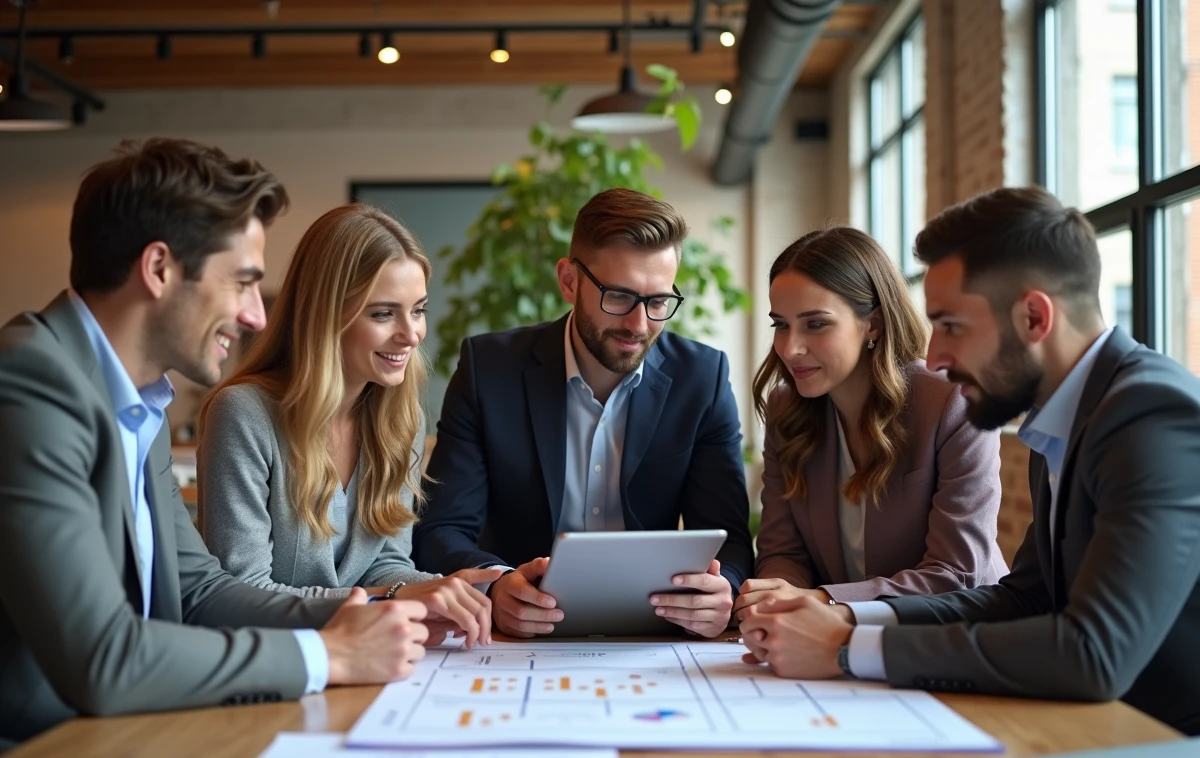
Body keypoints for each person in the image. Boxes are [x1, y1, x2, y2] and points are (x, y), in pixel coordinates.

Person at [0, 139, 429, 749]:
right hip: (40, 756)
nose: (257, 315)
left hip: (128, 738)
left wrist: (369, 613)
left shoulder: (134, 399)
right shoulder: (30, 385)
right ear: (158, 270)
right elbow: (105, 659)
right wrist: (328, 655)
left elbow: (200, 592)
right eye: (243, 283)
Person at [738, 186, 1200, 736]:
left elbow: (1093, 653)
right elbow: (1025, 598)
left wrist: (848, 647)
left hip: (1165, 745)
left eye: (952, 325)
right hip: (1101, 729)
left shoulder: (1149, 414)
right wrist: (841, 619)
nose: (933, 356)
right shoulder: (1068, 417)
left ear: (1034, 317)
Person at [413, 188, 755, 639]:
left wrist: (722, 590)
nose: (638, 325)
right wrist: (496, 585)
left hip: (652, 636)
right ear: (569, 281)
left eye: (657, 302)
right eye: (619, 296)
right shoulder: (489, 370)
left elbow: (729, 538)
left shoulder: (702, 378)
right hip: (520, 636)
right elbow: (441, 531)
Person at [197, 204, 498, 648]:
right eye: (382, 314)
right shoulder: (243, 414)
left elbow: (387, 564)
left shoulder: (401, 417)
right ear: (325, 316)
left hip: (367, 660)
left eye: (417, 310)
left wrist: (468, 590)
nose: (412, 334)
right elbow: (242, 598)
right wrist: (391, 600)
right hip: (283, 669)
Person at [735, 227, 1006, 622]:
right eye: (780, 324)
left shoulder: (955, 402)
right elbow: (782, 554)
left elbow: (956, 575)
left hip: (956, 640)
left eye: (815, 324)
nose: (790, 348)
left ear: (874, 325)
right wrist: (778, 601)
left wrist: (825, 601)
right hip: (831, 642)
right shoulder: (787, 409)